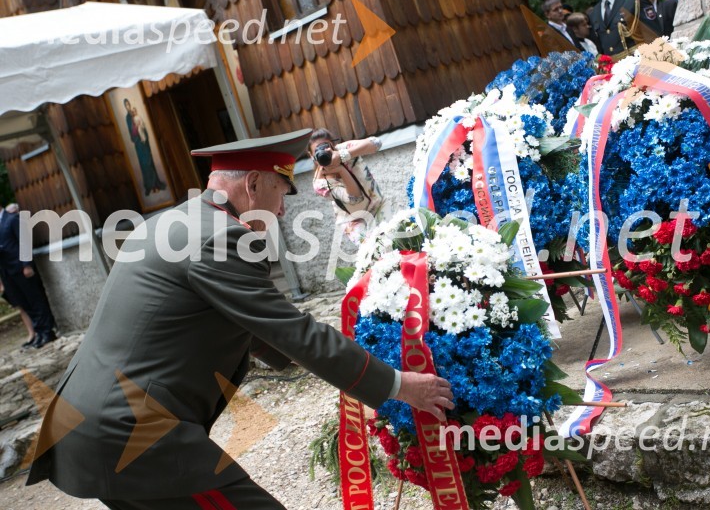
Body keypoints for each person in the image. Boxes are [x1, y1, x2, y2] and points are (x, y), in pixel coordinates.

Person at [27, 130, 454, 509]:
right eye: (282, 193)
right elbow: (293, 332)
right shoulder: (221, 236)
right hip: (133, 434)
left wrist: (342, 359)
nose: (284, 212)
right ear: (252, 185)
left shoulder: (172, 221)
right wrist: (397, 385)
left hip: (88, 424)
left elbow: (245, 323)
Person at [309, 128, 390, 243]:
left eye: (326, 147)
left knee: (398, 238)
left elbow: (376, 143)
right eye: (317, 152)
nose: (323, 153)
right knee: (376, 251)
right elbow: (355, 198)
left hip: (378, 204)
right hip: (354, 220)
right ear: (311, 155)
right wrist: (341, 170)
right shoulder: (320, 183)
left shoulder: (343, 149)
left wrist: (345, 155)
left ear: (333, 144)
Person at [0, 203, 58, 349]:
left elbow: (24, 241)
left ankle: (47, 332)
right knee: (24, 302)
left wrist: (27, 264)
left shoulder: (12, 219)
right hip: (6, 271)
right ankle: (38, 332)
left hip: (20, 267)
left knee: (35, 300)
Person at [123, 98, 167, 196]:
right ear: (125, 107)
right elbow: (132, 133)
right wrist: (135, 129)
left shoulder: (135, 113)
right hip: (138, 144)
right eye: (126, 105)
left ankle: (156, 183)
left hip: (144, 142)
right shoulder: (128, 117)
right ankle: (149, 186)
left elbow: (143, 126)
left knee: (150, 162)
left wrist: (144, 134)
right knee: (144, 165)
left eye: (128, 104)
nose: (128, 106)